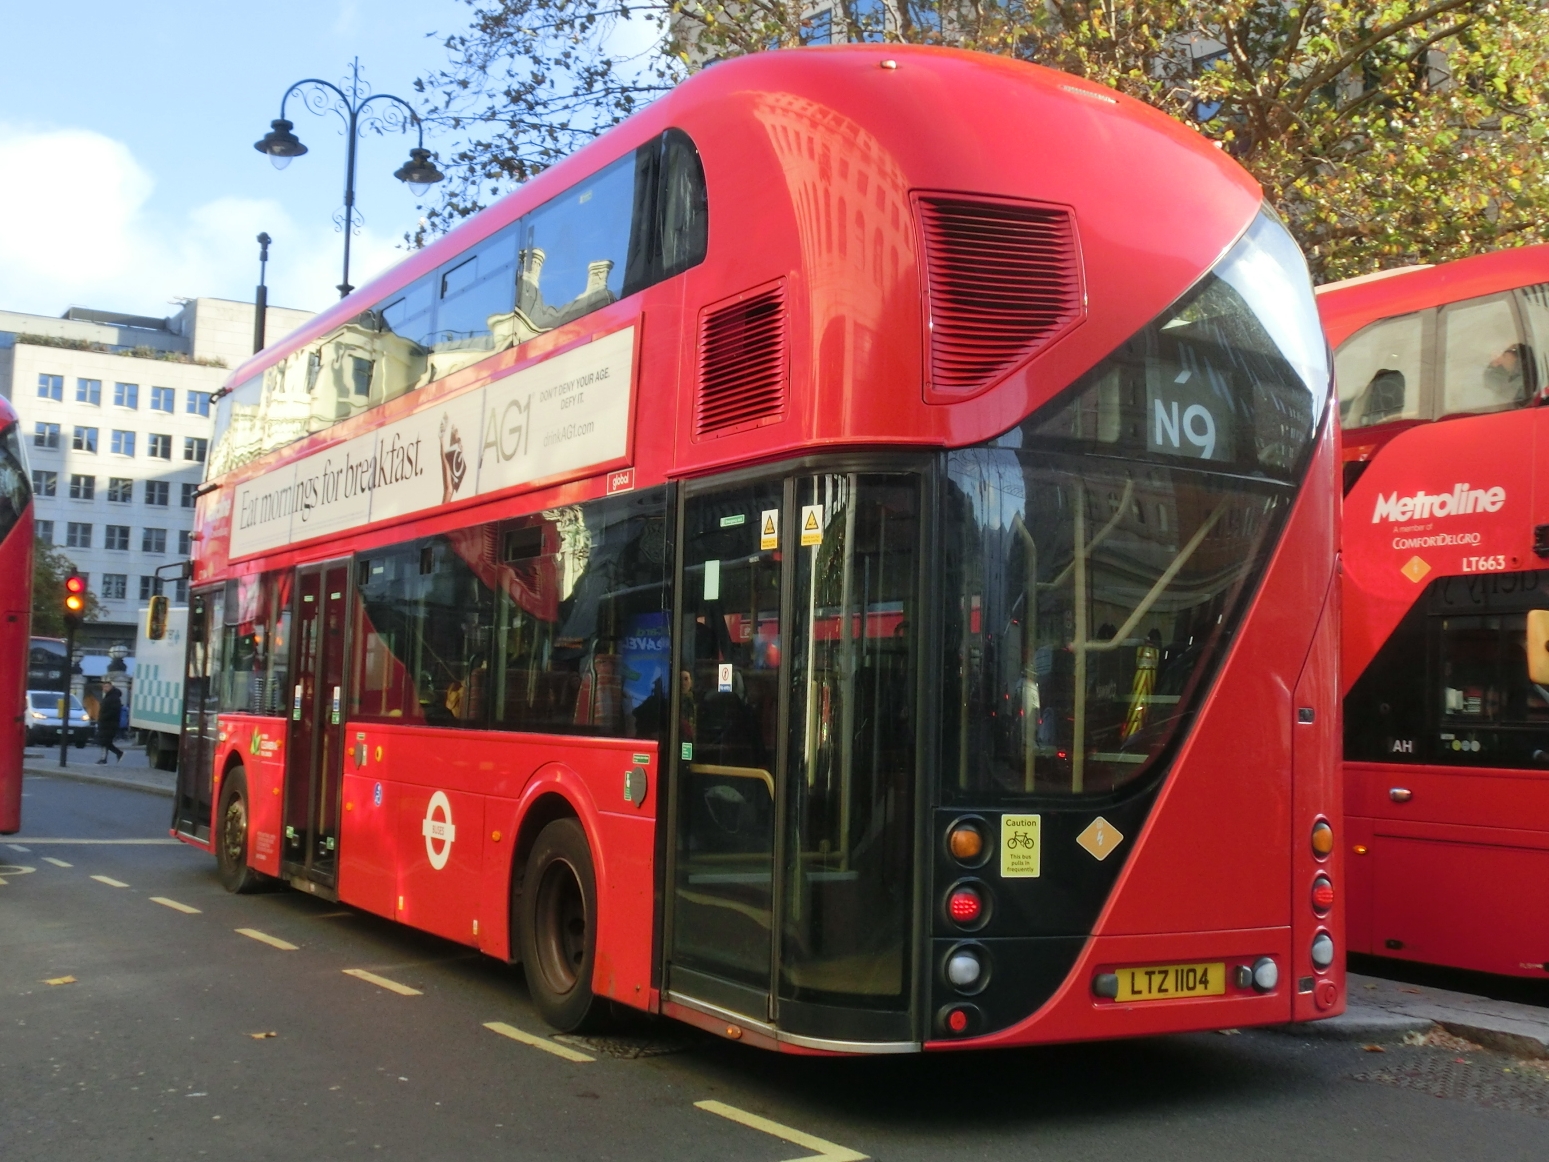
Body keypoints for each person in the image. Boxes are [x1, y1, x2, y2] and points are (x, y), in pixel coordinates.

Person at [95, 680, 124, 763]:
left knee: (105, 742)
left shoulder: (114, 697)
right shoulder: (108, 697)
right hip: (106, 723)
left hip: (110, 724)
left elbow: (113, 711)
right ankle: (106, 757)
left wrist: (103, 717)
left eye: (107, 686)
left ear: (111, 687)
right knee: (105, 742)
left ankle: (114, 754)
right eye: (104, 687)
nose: (105, 688)